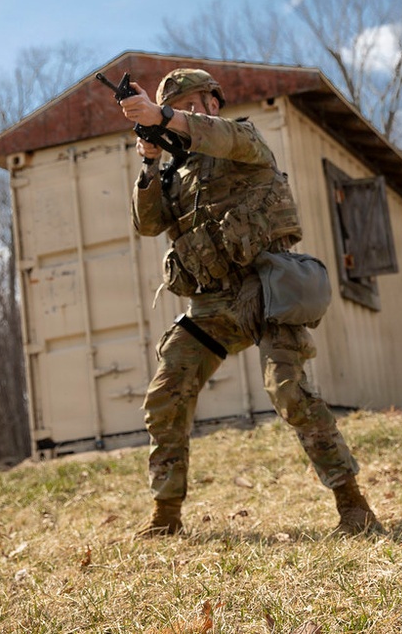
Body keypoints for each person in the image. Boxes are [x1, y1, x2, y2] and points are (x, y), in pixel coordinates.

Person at [118, 68, 381, 537]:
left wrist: (164, 116)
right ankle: (166, 516)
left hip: (265, 288)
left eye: (196, 102)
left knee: (288, 389)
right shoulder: (175, 174)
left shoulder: (242, 140)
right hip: (212, 305)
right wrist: (150, 161)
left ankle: (353, 506)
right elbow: (148, 225)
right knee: (165, 396)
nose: (191, 111)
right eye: (182, 104)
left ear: (214, 103)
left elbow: (217, 137)